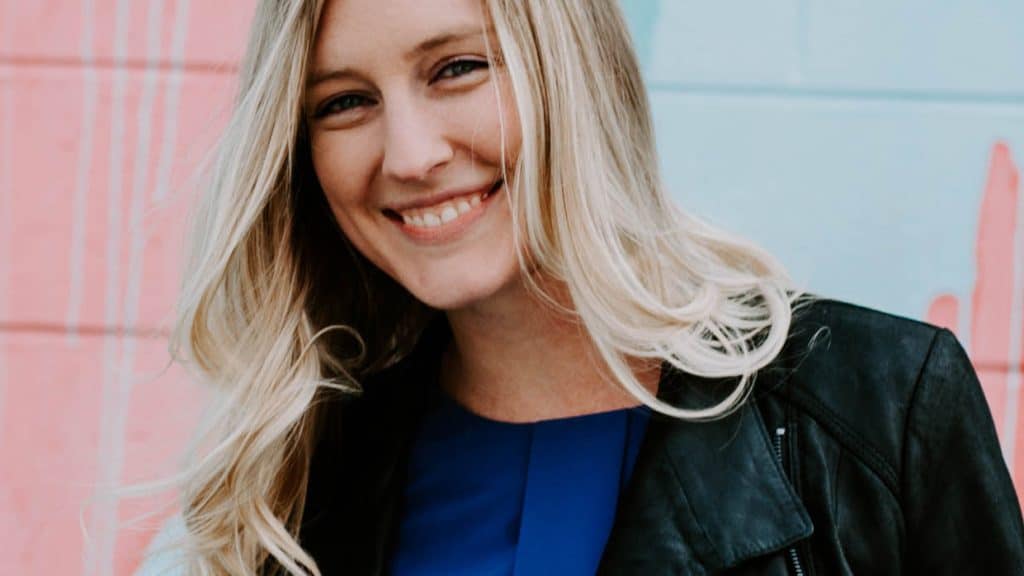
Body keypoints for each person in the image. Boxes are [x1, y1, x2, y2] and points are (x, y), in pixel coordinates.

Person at [145, 0, 1024, 574]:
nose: (410, 155)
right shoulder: (295, 485)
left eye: (458, 68)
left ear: (573, 75)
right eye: (343, 102)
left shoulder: (876, 410)